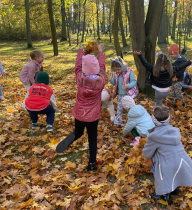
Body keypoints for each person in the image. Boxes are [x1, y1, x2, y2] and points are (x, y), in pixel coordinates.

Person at [56, 43, 106, 172]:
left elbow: (77, 66)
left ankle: (68, 140)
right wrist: (100, 52)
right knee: (92, 139)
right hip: (93, 115)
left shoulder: (80, 79)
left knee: (77, 132)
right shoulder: (100, 81)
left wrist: (80, 52)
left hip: (80, 113)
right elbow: (103, 67)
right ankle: (92, 164)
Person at [143, 106, 192, 205]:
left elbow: (147, 154)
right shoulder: (175, 131)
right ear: (169, 119)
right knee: (173, 171)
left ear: (153, 120)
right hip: (181, 160)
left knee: (160, 172)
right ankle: (174, 188)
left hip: (166, 164)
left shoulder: (153, 137)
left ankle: (165, 195)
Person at [109, 56, 139, 126]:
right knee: (119, 108)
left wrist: (127, 86)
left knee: (130, 109)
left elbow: (134, 82)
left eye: (118, 69)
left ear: (122, 66)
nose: (117, 71)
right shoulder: (115, 74)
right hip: (120, 94)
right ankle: (118, 122)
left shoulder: (129, 72)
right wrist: (111, 80)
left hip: (128, 94)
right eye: (115, 70)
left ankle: (133, 122)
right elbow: (114, 83)